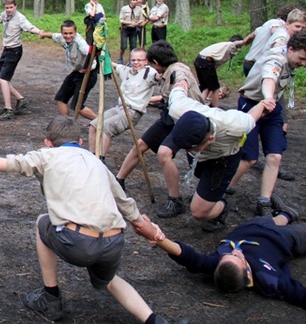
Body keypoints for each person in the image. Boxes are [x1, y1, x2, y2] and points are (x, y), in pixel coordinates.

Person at [0, 116, 181, 324]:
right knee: (110, 279)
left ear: (47, 142)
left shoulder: (46, 156)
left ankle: (51, 298)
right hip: (114, 241)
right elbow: (127, 206)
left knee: (41, 223)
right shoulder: (96, 161)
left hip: (78, 243)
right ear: (81, 142)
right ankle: (153, 320)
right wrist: (151, 231)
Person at [144, 205, 306, 308]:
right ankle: (288, 216)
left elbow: (189, 258)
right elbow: (297, 293)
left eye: (228, 255)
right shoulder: (265, 277)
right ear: (247, 272)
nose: (235, 251)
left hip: (253, 226)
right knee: (298, 231)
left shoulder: (217, 264)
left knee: (270, 220)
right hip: (282, 238)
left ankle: (287, 213)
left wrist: (158, 238)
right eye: (239, 257)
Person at [114, 40, 204, 218]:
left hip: (188, 120)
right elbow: (165, 97)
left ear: (155, 62)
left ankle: (175, 200)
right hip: (169, 116)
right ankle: (118, 181)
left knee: (166, 154)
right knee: (140, 145)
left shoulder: (178, 71)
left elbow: (182, 83)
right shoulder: (168, 71)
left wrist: (180, 88)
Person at [163, 83, 269, 232]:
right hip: (200, 156)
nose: (185, 150)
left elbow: (252, 117)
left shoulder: (235, 124)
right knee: (197, 175)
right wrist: (182, 83)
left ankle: (222, 207)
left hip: (223, 158)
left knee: (199, 212)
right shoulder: (178, 109)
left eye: (192, 147)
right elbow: (179, 89)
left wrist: (264, 103)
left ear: (210, 138)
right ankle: (205, 194)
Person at [227, 31, 306, 217]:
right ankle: (224, 189)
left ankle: (264, 201)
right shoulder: (276, 58)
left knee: (275, 157)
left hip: (273, 109)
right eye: (302, 58)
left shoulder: (290, 54)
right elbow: (269, 77)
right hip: (253, 104)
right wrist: (268, 98)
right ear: (291, 49)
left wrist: (273, 103)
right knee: (249, 158)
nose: (303, 64)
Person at [88, 48, 159, 161]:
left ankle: (100, 159)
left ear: (146, 61)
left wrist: (161, 76)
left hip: (133, 112)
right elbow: (114, 66)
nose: (136, 63)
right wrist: (102, 56)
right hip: (119, 108)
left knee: (107, 127)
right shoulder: (127, 71)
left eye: (140, 60)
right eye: (133, 60)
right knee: (94, 125)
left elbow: (158, 77)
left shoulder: (149, 73)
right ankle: (91, 156)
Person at [39, 20, 98, 120]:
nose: (68, 36)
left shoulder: (80, 43)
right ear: (62, 33)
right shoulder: (62, 38)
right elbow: (53, 36)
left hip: (88, 74)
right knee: (60, 98)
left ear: (75, 32)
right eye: (65, 33)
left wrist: (96, 56)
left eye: (71, 33)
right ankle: (66, 125)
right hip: (76, 73)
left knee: (77, 106)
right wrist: (43, 34)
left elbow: (90, 52)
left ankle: (102, 124)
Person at [193, 34, 251, 107]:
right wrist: (245, 41)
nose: (239, 49)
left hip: (199, 60)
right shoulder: (229, 45)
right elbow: (235, 43)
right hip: (206, 61)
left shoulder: (223, 49)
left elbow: (214, 65)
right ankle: (215, 109)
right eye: (239, 47)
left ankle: (199, 106)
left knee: (206, 87)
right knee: (216, 88)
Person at [242, 4, 298, 76]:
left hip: (248, 63)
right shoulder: (279, 25)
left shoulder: (269, 23)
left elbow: (251, 35)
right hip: (258, 66)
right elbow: (275, 31)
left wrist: (244, 42)